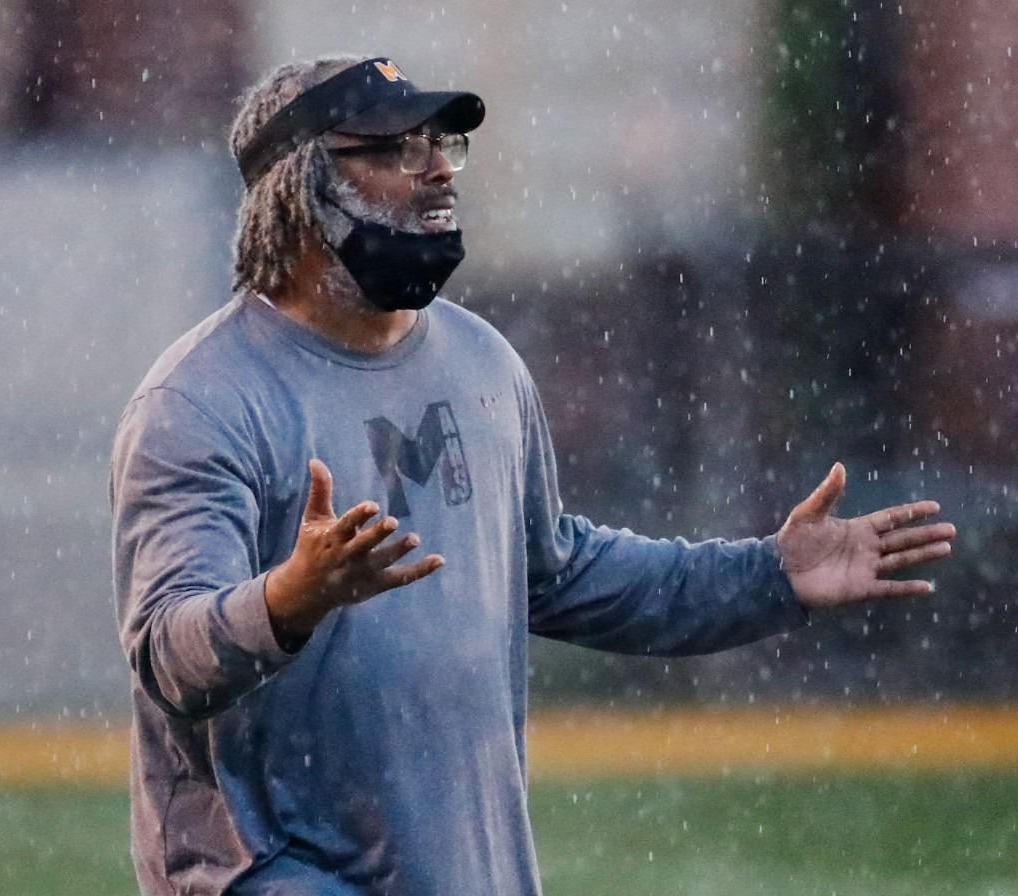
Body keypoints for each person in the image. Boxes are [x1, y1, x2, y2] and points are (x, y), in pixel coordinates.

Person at [110, 54, 956, 896]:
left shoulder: (482, 362)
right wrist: (290, 597)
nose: (438, 168)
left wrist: (770, 575)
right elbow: (166, 653)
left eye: (444, 145)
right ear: (297, 190)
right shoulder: (200, 403)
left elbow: (560, 574)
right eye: (398, 149)